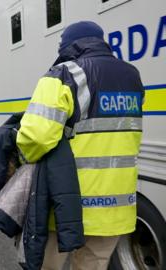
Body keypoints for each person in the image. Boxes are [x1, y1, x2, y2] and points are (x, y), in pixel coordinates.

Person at [16, 21, 144, 269]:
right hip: (116, 206)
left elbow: (35, 138)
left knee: (46, 264)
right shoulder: (132, 76)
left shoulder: (63, 74)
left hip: (66, 204)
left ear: (69, 46)